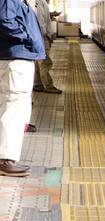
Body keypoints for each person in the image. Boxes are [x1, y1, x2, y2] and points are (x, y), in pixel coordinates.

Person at [0, 0, 45, 176]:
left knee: (12, 106)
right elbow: (4, 19)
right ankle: (4, 160)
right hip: (15, 56)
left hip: (17, 56)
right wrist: (27, 37)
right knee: (13, 107)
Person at [33, 0, 62, 94]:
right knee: (45, 62)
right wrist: (43, 35)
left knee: (37, 62)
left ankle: (37, 84)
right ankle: (48, 85)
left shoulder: (41, 2)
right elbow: (40, 19)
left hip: (39, 35)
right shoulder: (39, 2)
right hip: (40, 36)